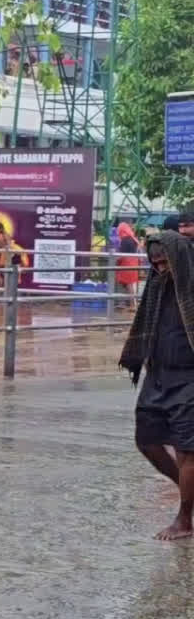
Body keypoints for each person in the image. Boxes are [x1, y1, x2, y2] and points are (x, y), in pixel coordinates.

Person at [120, 231, 194, 540]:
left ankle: (184, 519)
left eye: (165, 263)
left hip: (189, 377)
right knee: (147, 441)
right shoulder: (155, 289)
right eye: (155, 264)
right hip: (158, 375)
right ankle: (188, 490)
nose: (160, 269)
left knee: (187, 449)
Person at [115, 222, 142, 310]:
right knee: (127, 284)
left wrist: (116, 259)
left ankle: (132, 305)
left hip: (127, 264)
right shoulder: (133, 239)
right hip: (133, 263)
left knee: (128, 285)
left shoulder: (125, 240)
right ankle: (126, 304)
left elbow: (122, 254)